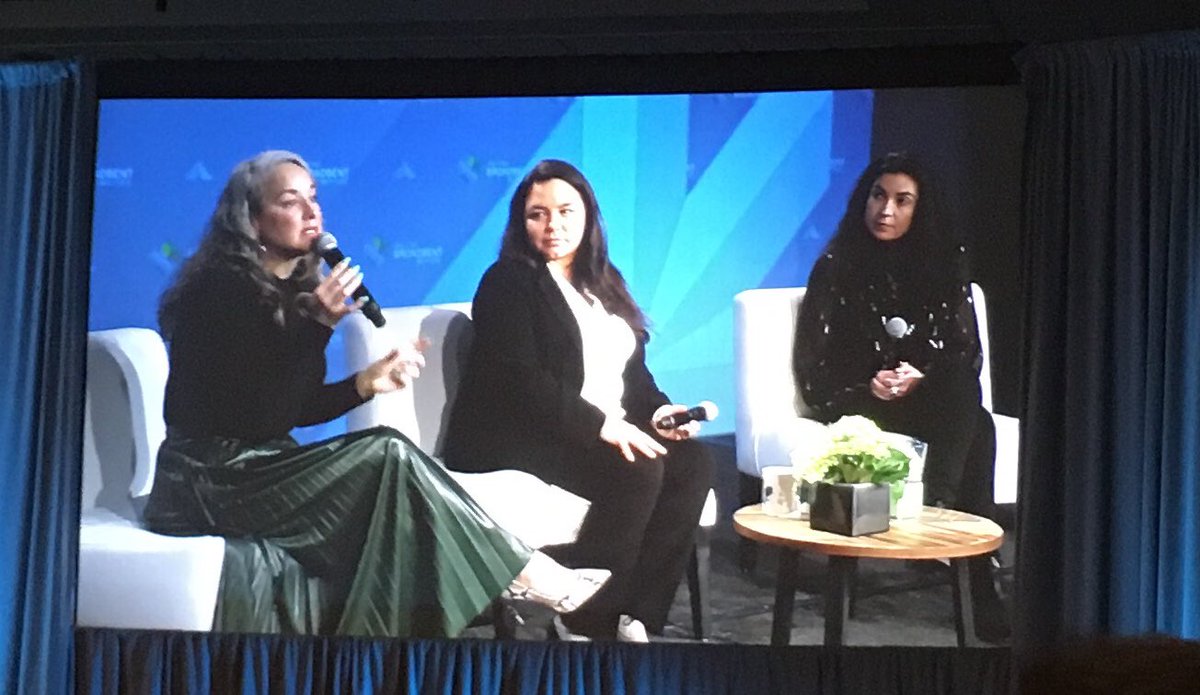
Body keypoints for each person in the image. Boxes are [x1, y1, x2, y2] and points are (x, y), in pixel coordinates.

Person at [142, 150, 608, 638]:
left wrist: (368, 382)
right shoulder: (220, 291)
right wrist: (317, 326)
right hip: (209, 478)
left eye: (314, 198)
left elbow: (292, 410)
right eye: (289, 201)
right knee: (387, 453)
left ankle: (396, 653)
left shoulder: (288, 291)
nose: (311, 212)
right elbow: (259, 417)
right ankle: (521, 574)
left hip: (259, 464)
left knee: (392, 484)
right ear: (252, 220)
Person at [442, 159, 715, 642]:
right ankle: (585, 617)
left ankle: (636, 614)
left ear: (588, 215)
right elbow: (520, 380)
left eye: (566, 211)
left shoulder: (602, 281)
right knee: (636, 467)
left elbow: (632, 373)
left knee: (692, 461)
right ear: (520, 222)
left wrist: (659, 412)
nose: (553, 226)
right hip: (521, 434)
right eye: (538, 214)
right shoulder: (507, 280)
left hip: (592, 426)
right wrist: (601, 426)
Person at [792, 151, 1009, 643]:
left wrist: (918, 376)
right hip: (859, 404)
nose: (885, 211)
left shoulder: (942, 267)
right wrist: (868, 385)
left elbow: (964, 355)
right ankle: (972, 571)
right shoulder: (834, 267)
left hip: (926, 401)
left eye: (901, 201)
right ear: (863, 199)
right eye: (877, 196)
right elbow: (814, 372)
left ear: (920, 210)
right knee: (980, 427)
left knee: (965, 402)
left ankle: (941, 508)